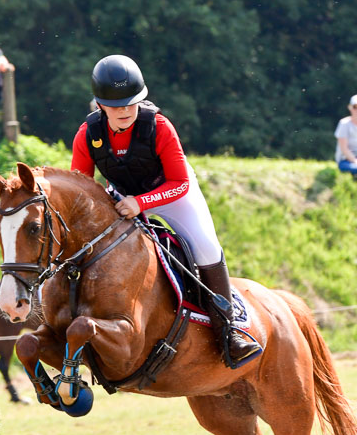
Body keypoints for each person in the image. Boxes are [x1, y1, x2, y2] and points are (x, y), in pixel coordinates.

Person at [71, 54, 263, 370]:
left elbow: (180, 183)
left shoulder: (158, 127)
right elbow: (82, 188)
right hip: (122, 198)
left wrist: (141, 203)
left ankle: (230, 331)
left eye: (131, 103)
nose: (124, 111)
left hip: (171, 193)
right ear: (99, 105)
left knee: (205, 246)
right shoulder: (87, 134)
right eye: (115, 105)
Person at [334, 96, 357, 179]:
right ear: (350, 107)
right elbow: (344, 149)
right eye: (355, 107)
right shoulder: (344, 124)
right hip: (345, 161)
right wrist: (355, 161)